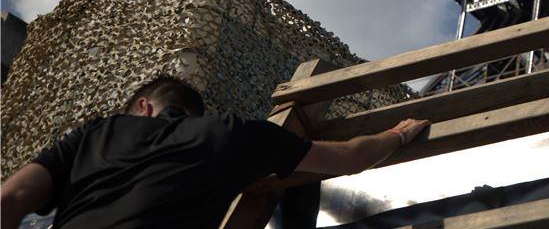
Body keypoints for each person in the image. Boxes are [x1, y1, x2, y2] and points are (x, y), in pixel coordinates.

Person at [0, 75, 429, 229]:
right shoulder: (228, 134)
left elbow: (10, 197)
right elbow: (349, 158)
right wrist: (399, 134)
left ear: (144, 107)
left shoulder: (95, 132)